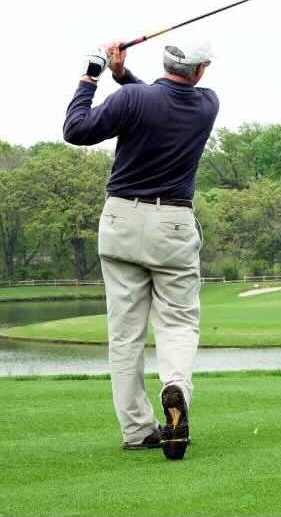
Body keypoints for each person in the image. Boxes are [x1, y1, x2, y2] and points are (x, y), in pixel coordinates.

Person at [63, 40, 219, 460]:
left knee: (125, 333)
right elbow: (158, 102)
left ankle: (137, 429)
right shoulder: (207, 103)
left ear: (164, 62)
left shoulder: (133, 98)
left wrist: (92, 74)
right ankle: (176, 387)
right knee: (178, 322)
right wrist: (120, 75)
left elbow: (76, 130)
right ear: (200, 71)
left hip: (120, 221)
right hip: (173, 223)